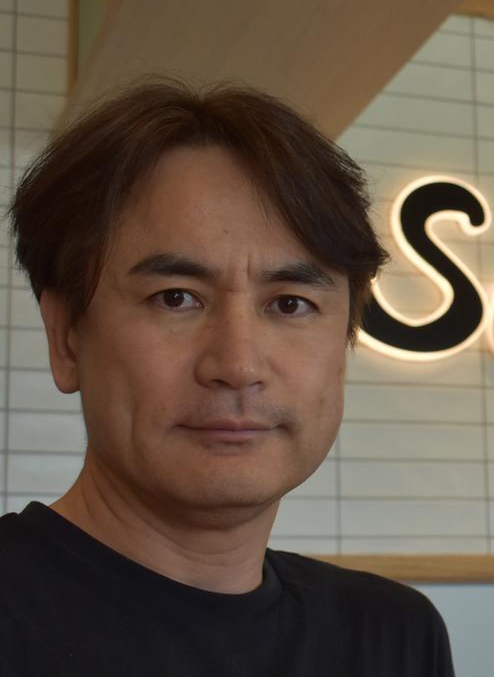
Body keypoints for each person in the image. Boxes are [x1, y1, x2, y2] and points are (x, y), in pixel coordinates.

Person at [0, 80, 455, 675]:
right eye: (175, 298)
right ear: (66, 339)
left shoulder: (392, 633)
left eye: (290, 304)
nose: (237, 366)